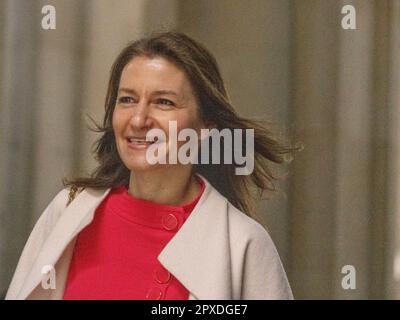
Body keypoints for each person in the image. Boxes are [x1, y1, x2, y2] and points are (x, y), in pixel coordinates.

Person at [6, 31, 298, 300]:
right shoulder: (68, 212)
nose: (138, 119)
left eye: (164, 102)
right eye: (127, 100)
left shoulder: (242, 244)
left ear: (206, 126)